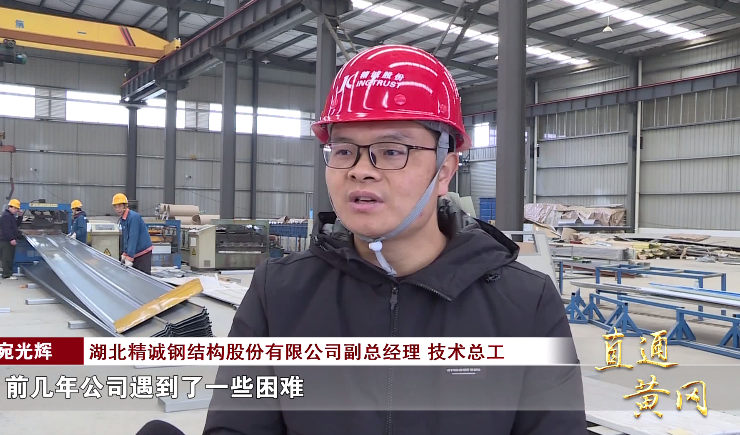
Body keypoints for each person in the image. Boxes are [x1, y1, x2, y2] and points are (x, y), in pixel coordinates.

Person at [133, 44, 585, 435]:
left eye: (392, 150)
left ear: (444, 170)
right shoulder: (280, 292)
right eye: (344, 150)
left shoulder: (525, 304)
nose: (360, 170)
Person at [112, 193, 152, 274]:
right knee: (134, 277)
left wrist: (129, 256)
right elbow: (126, 238)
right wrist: (125, 252)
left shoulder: (133, 217)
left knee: (143, 277)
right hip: (135, 252)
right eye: (115, 207)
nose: (117, 209)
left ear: (125, 205)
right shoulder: (123, 219)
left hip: (143, 252)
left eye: (119, 206)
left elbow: (133, 237)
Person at [0, 198, 23, 280]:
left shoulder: (10, 216)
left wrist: (20, 216)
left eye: (17, 209)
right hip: (6, 241)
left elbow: (16, 225)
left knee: (9, 257)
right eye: (16, 209)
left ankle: (9, 273)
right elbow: (7, 229)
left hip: (8, 240)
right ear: (11, 207)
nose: (16, 210)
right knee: (7, 258)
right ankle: (6, 274)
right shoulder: (6, 216)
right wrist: (11, 239)